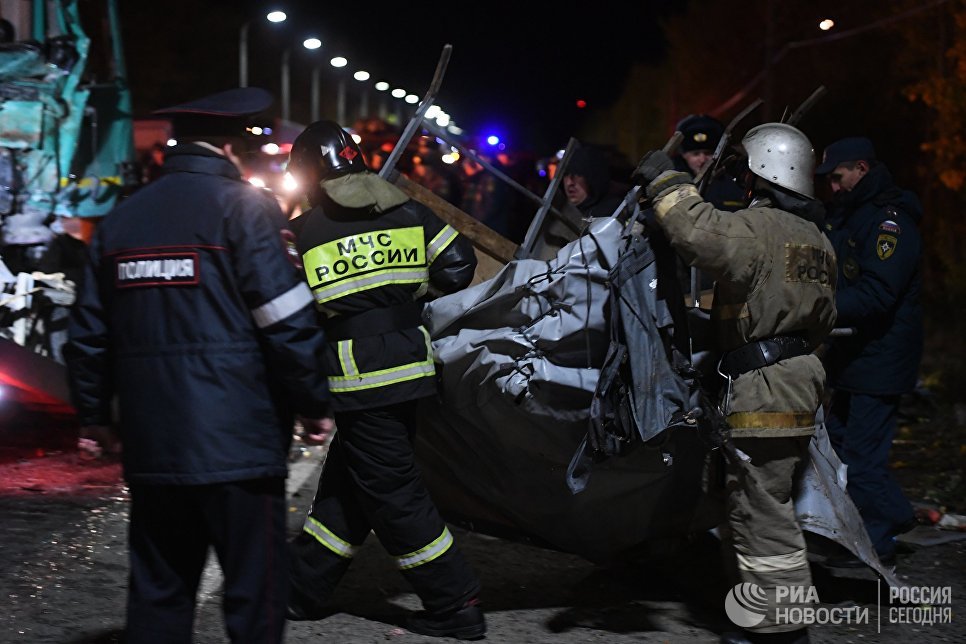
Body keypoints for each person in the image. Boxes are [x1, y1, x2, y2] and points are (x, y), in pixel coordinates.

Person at [63, 87, 333, 643]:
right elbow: (284, 319)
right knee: (254, 593)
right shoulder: (248, 211)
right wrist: (312, 402)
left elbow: (87, 333)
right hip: (242, 445)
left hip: (154, 443)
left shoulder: (121, 221)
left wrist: (95, 416)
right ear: (231, 150)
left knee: (160, 590)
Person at [632, 122, 837, 644]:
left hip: (764, 385)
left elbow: (701, 235)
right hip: (795, 380)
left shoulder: (763, 228)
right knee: (754, 502)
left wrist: (666, 184)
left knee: (763, 509)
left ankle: (781, 627)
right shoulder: (815, 239)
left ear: (765, 173)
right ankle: (758, 613)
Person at [284, 120, 485, 640]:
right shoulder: (408, 211)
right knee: (349, 488)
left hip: (359, 380)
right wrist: (405, 295)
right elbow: (460, 265)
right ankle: (299, 591)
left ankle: (456, 601)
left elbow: (291, 311)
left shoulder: (306, 231)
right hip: (411, 369)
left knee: (394, 494)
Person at [814, 136, 921, 568]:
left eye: (838, 178)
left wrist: (818, 309)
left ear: (861, 168)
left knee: (861, 456)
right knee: (839, 444)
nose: (833, 187)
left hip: (880, 357)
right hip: (855, 354)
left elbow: (878, 292)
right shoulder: (850, 215)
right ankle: (894, 513)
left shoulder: (888, 222)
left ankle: (877, 546)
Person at [674, 114, 747, 212]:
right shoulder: (673, 185)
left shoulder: (737, 183)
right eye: (696, 154)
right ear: (684, 155)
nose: (702, 159)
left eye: (708, 153)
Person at [562, 144, 625, 218]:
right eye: (566, 174)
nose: (569, 182)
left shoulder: (614, 211)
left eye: (577, 174)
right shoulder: (561, 216)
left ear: (593, 176)